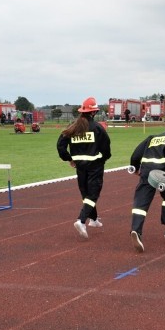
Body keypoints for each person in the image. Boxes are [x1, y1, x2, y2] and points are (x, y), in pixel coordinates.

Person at [128, 116, 165, 252]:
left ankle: (136, 230)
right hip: (162, 173)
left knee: (140, 203)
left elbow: (136, 153)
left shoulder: (152, 137)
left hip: (146, 171)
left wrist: (135, 167)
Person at [57, 97, 112, 238]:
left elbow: (60, 145)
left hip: (80, 166)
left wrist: (69, 158)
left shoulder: (73, 127)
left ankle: (93, 220)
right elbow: (106, 148)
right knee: (93, 194)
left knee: (86, 194)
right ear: (94, 112)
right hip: (95, 166)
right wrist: (103, 159)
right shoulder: (98, 127)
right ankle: (81, 221)